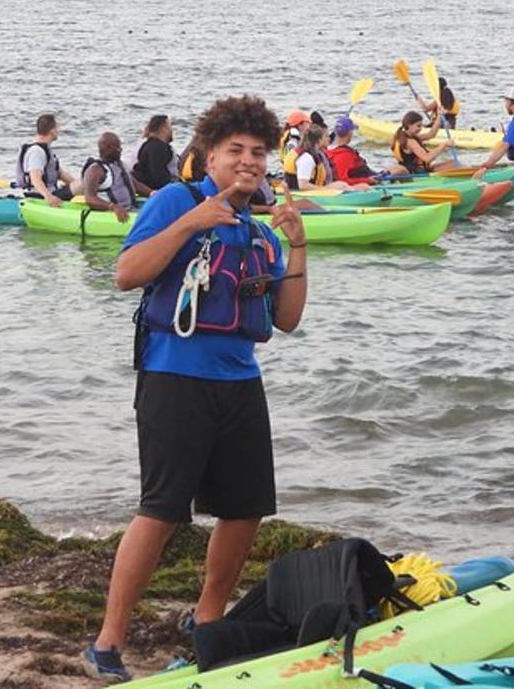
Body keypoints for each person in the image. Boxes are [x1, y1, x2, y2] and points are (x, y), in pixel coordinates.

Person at [83, 96, 308, 683]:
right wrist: (191, 222)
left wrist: (300, 246)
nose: (248, 161)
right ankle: (107, 642)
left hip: (240, 382)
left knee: (245, 511)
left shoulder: (260, 230)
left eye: (258, 152)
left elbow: (286, 320)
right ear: (208, 155)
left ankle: (207, 621)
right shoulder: (172, 202)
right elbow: (126, 274)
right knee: (160, 512)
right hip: (173, 379)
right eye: (235, 150)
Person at [83, 132, 149, 223]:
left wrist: (154, 193)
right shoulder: (96, 170)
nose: (121, 150)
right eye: (118, 147)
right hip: (112, 212)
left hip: (132, 208)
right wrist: (113, 206)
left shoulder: (120, 164)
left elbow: (136, 185)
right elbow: (90, 198)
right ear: (108, 148)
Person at [15, 113, 76, 207]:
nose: (59, 131)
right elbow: (35, 178)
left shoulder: (46, 150)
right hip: (41, 197)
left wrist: (82, 186)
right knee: (81, 185)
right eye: (57, 128)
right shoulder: (37, 152)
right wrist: (49, 197)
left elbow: (62, 175)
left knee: (82, 184)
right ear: (52, 131)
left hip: (51, 193)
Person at [284, 124, 349, 192]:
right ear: (319, 140)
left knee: (343, 185)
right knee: (343, 186)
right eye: (325, 136)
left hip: (312, 192)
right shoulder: (306, 158)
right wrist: (328, 189)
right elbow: (303, 185)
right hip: (302, 195)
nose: (328, 139)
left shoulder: (313, 153)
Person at [388, 110, 453, 176]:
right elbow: (427, 158)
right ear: (409, 125)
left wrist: (439, 117)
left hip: (414, 169)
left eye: (421, 126)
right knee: (455, 165)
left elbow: (430, 135)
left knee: (453, 163)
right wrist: (444, 145)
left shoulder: (401, 136)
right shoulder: (411, 142)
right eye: (418, 126)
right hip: (417, 173)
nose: (420, 128)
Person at [327, 116, 379, 186]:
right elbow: (342, 180)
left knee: (394, 170)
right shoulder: (343, 155)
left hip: (371, 176)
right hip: (368, 183)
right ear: (350, 133)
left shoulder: (329, 148)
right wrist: (368, 181)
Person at [132, 115, 179, 191]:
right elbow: (159, 175)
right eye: (170, 127)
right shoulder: (156, 148)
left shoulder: (152, 145)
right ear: (163, 129)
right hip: (150, 187)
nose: (172, 130)